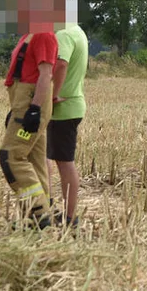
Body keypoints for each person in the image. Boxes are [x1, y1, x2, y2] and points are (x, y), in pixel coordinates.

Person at [0, 0, 61, 227]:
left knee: (11, 156)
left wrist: (33, 110)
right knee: (35, 160)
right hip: (23, 101)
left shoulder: (44, 34)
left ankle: (38, 213)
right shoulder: (29, 34)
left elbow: (45, 75)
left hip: (31, 102)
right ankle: (41, 213)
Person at [47, 18, 89, 227]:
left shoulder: (63, 34)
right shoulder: (77, 30)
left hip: (63, 107)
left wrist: (52, 96)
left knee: (64, 162)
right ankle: (53, 209)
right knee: (51, 158)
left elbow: (62, 63)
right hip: (73, 104)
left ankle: (70, 217)